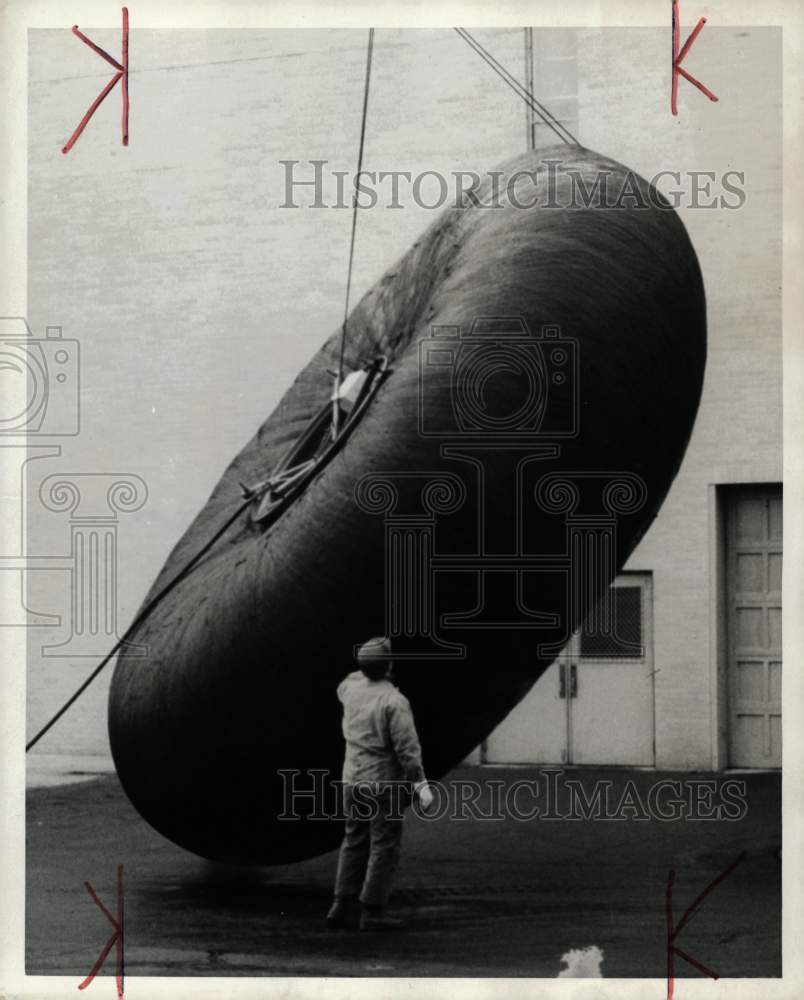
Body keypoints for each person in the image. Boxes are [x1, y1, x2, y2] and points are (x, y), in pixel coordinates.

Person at [327, 636, 434, 931]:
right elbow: (408, 751)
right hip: (382, 784)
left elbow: (350, 678)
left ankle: (340, 903)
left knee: (353, 840)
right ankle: (371, 909)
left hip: (352, 781)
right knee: (383, 845)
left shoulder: (349, 689)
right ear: (388, 666)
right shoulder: (394, 702)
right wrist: (421, 786)